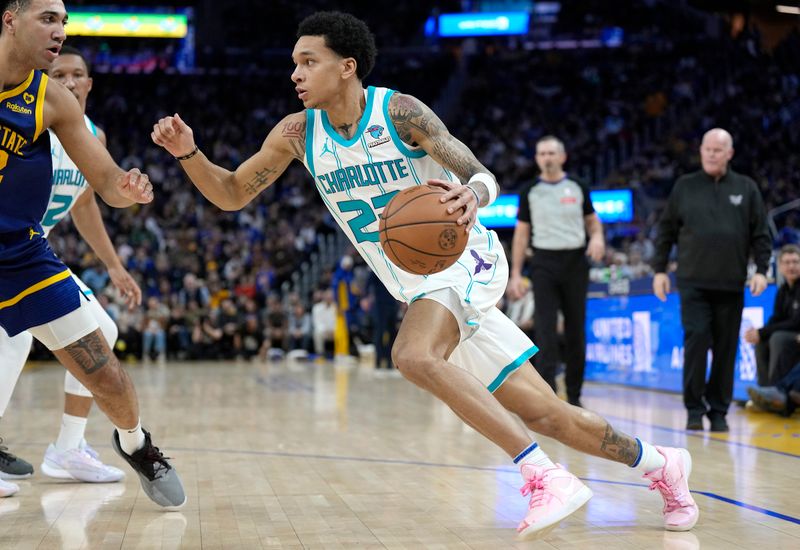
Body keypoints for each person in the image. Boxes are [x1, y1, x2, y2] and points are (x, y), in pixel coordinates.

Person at [152, 11, 698, 538]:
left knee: (412, 355)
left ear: (347, 66)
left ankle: (542, 476)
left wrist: (472, 194)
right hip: (416, 284)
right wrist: (188, 152)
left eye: (308, 61)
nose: (295, 73)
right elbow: (229, 193)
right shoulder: (297, 134)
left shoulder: (400, 113)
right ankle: (660, 463)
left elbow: (478, 172)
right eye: (294, 63)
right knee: (549, 413)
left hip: (463, 259)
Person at [0, 0, 183, 506]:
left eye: (63, 22)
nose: (59, 31)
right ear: (9, 19)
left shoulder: (53, 101)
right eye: (47, 19)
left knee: (105, 368)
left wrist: (130, 189)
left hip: (22, 254)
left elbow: (102, 183)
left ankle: (135, 443)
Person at [0, 45, 134, 487]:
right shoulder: (29, 121)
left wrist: (113, 265)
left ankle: (68, 449)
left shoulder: (90, 134)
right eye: (60, 74)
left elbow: (84, 205)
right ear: (44, 78)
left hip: (34, 256)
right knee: (12, 339)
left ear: (90, 83)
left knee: (105, 332)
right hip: (11, 255)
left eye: (78, 74)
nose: (71, 82)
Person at [652, 128, 771, 432]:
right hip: (693, 282)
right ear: (701, 150)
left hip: (730, 284)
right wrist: (660, 270)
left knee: (726, 348)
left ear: (729, 153)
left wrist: (761, 270)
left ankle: (718, 411)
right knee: (697, 340)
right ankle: (694, 408)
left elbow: (761, 234)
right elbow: (666, 231)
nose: (711, 154)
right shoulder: (685, 186)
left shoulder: (746, 188)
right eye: (707, 149)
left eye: (718, 150)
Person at [508, 136, 605, 406]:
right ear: (537, 158)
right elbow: (521, 235)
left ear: (562, 157)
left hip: (575, 261)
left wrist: (597, 238)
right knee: (545, 330)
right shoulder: (530, 191)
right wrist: (516, 274)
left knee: (575, 330)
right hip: (543, 262)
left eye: (551, 153)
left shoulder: (577, 187)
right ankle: (549, 396)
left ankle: (574, 396)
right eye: (541, 153)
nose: (547, 158)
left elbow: (593, 223)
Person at [744, 244, 800, 385]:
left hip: (796, 333)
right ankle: (764, 391)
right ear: (780, 267)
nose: (791, 266)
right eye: (787, 262)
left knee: (777, 338)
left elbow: (795, 322)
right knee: (762, 342)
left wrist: (763, 332)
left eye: (795, 262)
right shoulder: (783, 290)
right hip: (790, 333)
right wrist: (759, 333)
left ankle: (777, 392)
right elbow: (776, 318)